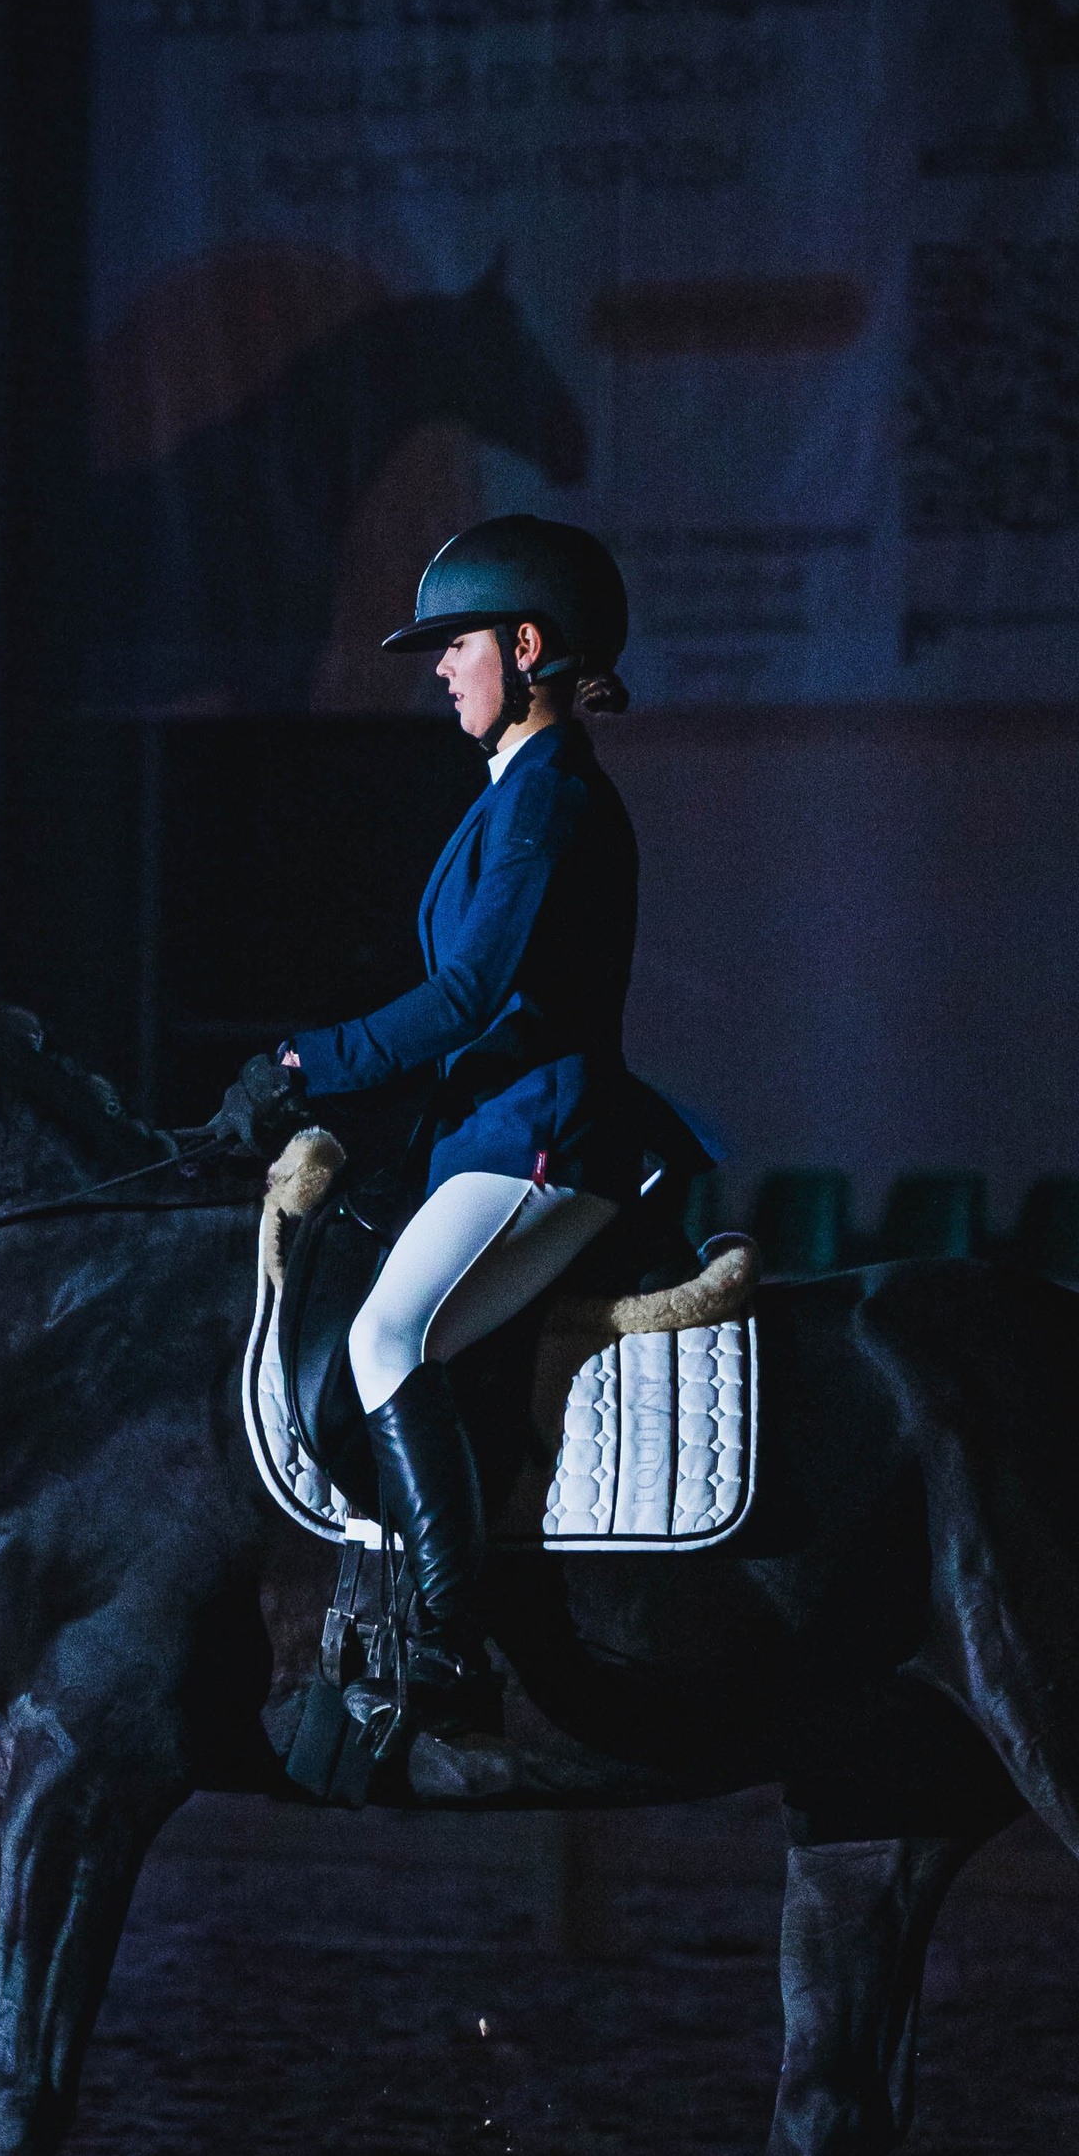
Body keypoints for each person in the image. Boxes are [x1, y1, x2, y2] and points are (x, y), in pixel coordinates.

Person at [272, 513, 699, 1738]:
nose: (441, 670)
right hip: (487, 1131)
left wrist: (318, 1055)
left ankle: (450, 1644)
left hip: (541, 1138)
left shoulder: (549, 793)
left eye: (455, 646)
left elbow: (467, 996)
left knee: (389, 1337)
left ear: (525, 645)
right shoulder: (513, 792)